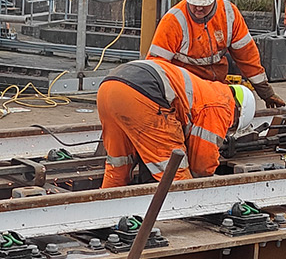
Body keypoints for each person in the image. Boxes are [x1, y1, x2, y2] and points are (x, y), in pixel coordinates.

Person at [95, 58, 256, 188]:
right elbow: (202, 164)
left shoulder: (207, 91)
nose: (228, 128)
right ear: (237, 114)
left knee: (119, 165)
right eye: (232, 126)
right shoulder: (222, 104)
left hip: (109, 87)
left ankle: (104, 208)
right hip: (142, 92)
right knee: (176, 174)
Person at [148, 0, 285, 108]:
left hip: (216, 87)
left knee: (237, 108)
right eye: (194, 3)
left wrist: (266, 92)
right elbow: (156, 67)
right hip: (184, 90)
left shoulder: (229, 15)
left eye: (204, 4)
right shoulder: (173, 21)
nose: (198, 8)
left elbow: (247, 57)